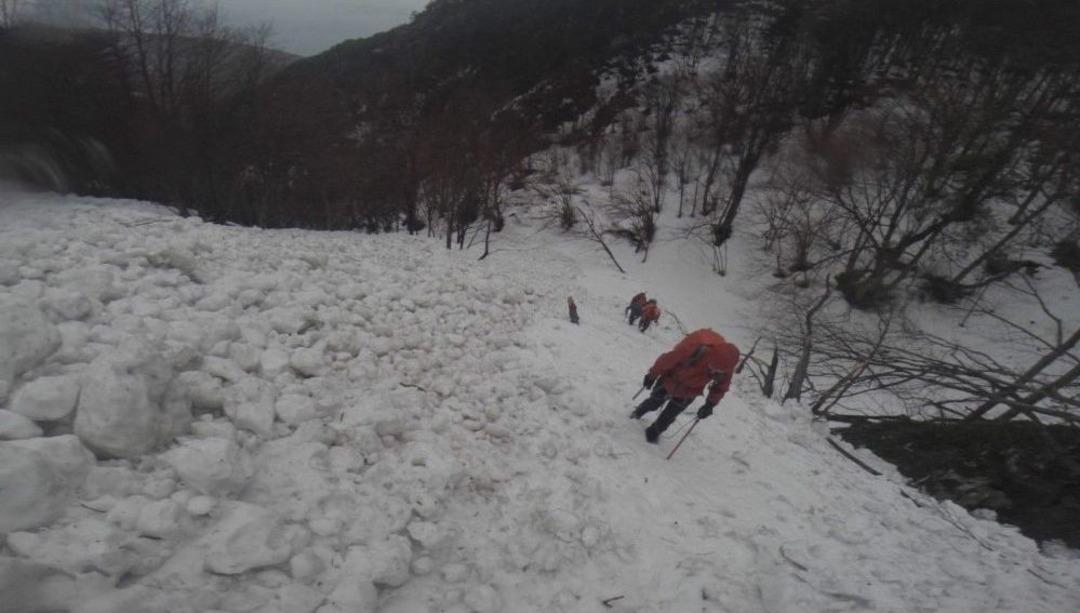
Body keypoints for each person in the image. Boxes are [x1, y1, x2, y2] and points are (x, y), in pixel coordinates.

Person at [631, 328, 740, 443]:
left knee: (668, 416)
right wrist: (652, 375)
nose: (714, 372)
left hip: (690, 391)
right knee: (654, 402)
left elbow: (721, 387)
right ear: (710, 357)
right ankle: (639, 411)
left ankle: (654, 432)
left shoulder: (726, 367)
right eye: (713, 367)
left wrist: (710, 404)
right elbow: (667, 360)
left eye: (718, 371)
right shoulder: (694, 348)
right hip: (670, 379)